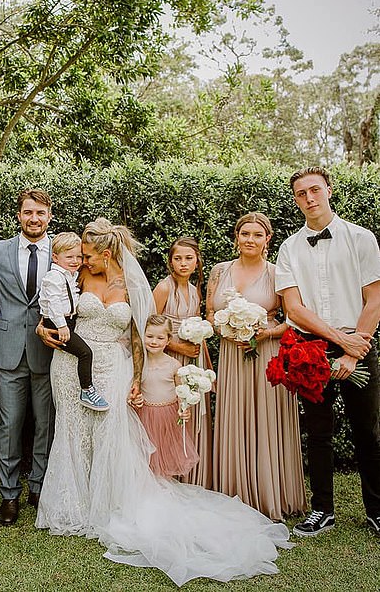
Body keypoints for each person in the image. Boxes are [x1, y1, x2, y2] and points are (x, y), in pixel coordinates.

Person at [36, 217, 291, 587]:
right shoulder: (75, 276)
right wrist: (43, 328)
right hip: (68, 364)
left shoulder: (132, 284)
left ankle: (105, 504)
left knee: (109, 438)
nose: (81, 260)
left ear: (106, 255)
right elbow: (53, 309)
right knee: (72, 432)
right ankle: (71, 504)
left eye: (88, 255)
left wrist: (136, 379)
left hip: (112, 367)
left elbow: (139, 336)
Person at [275, 167, 380, 537]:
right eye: (301, 193)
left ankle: (377, 511)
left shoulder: (361, 238)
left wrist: (353, 351)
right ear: (296, 199)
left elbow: (374, 299)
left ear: (329, 191)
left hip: (359, 341)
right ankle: (322, 510)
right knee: (318, 433)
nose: (309, 198)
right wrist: (337, 340)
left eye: (315, 190)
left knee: (367, 430)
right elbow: (294, 309)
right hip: (309, 348)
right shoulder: (288, 248)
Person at [206, 212, 306, 521]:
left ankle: (270, 492)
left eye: (257, 234)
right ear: (236, 237)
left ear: (267, 239)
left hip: (267, 355)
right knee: (235, 415)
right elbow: (210, 312)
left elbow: (292, 319)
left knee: (267, 417)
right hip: (232, 355)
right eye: (244, 233)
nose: (250, 239)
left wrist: (265, 333)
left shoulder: (279, 273)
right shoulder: (218, 271)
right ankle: (235, 489)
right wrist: (225, 330)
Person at [0, 189, 55, 526]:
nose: (34, 218)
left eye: (40, 213)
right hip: (8, 349)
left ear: (49, 216)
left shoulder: (63, 250)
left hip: (49, 351)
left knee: (46, 425)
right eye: (28, 212)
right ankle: (9, 495)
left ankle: (39, 488)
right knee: (9, 425)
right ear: (19, 215)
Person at [152, 237, 213, 488]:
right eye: (178, 258)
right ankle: (167, 477)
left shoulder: (195, 289)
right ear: (170, 261)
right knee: (170, 415)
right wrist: (178, 346)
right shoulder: (164, 288)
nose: (183, 263)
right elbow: (149, 328)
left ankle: (191, 476)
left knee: (191, 412)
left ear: (197, 261)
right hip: (170, 359)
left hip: (193, 360)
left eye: (189, 258)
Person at [39, 231, 108, 411]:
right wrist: (61, 326)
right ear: (55, 257)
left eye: (79, 256)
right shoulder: (54, 276)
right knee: (85, 353)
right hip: (57, 324)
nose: (75, 261)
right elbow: (52, 303)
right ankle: (87, 390)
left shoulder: (69, 275)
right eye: (69, 256)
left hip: (66, 321)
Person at [136, 314, 198, 478]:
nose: (154, 341)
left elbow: (182, 393)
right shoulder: (138, 364)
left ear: (168, 340)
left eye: (160, 337)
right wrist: (135, 399)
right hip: (145, 416)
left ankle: (164, 487)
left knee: (165, 453)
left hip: (168, 416)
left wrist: (185, 410)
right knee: (147, 456)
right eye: (149, 336)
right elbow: (133, 389)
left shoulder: (174, 365)